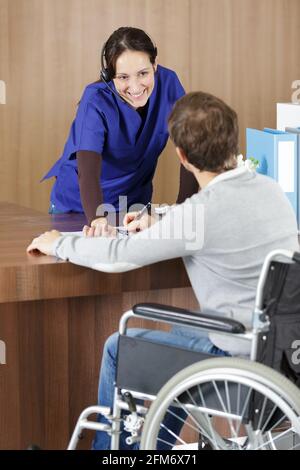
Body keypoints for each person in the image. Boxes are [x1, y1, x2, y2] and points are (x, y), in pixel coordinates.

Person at [28, 92, 299, 449]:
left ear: (182, 157)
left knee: (118, 346)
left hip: (237, 360)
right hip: (282, 358)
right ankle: (156, 446)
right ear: (234, 141)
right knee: (180, 327)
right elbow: (221, 220)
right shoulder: (272, 191)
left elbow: (120, 255)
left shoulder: (200, 213)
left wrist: (58, 243)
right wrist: (162, 219)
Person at [42, 26, 196, 226]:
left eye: (143, 73)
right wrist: (97, 221)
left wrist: (182, 210)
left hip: (134, 205)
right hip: (80, 206)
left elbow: (191, 148)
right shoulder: (95, 101)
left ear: (155, 65)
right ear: (109, 76)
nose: (135, 86)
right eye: (123, 77)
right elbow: (87, 172)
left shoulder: (169, 84)